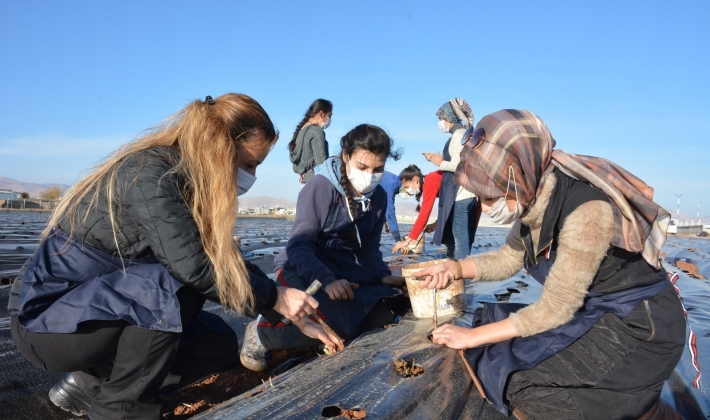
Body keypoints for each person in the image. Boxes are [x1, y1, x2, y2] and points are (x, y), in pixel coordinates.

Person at [9, 94, 337, 420]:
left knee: (216, 345)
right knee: (169, 286)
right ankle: (120, 410)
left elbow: (222, 259)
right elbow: (193, 264)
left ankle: (90, 384)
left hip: (95, 311)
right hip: (49, 321)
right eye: (248, 163)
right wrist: (276, 297)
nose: (250, 175)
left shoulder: (188, 182)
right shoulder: (152, 174)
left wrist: (289, 312)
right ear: (218, 147)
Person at [416, 109, 686, 419]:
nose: (485, 208)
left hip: (639, 328)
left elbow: (556, 309)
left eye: (490, 197)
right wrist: (454, 268)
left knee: (517, 381)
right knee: (493, 338)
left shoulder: (587, 211)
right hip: (594, 313)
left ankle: (644, 409)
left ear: (517, 177)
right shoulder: (535, 195)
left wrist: (471, 338)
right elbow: (508, 259)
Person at [240, 124, 410, 372]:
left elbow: (369, 250)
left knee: (383, 315)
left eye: (378, 169)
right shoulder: (321, 187)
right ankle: (263, 332)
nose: (370, 175)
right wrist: (327, 280)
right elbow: (299, 246)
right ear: (346, 156)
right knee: (334, 324)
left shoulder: (379, 198)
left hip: (341, 269)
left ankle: (334, 320)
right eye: (362, 167)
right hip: (302, 267)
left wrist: (382, 276)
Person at [422, 98, 481, 260]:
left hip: (461, 194)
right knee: (457, 238)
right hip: (466, 194)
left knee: (460, 240)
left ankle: (462, 277)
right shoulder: (465, 134)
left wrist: (439, 162)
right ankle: (456, 270)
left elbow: (458, 165)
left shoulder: (459, 135)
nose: (440, 122)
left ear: (449, 118)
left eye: (441, 118)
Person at [288, 99, 333, 184]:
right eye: (329, 116)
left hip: (303, 182)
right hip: (316, 182)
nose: (330, 119)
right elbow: (321, 164)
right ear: (321, 113)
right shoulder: (316, 131)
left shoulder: (299, 132)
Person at [378, 165, 423, 242]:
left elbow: (384, 206)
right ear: (404, 180)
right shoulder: (390, 185)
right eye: (407, 188)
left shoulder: (395, 183)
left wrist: (385, 221)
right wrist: (398, 240)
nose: (408, 193)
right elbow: (390, 212)